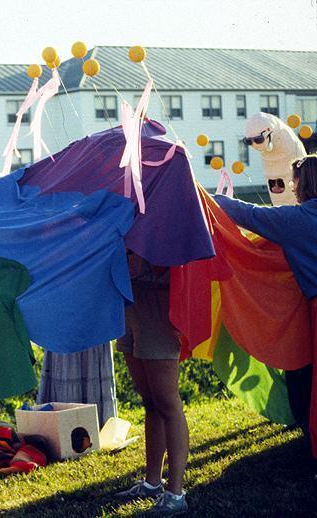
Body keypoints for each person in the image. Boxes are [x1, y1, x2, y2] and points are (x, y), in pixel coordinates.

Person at [214, 154, 317, 460]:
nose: (292, 188)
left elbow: (250, 215)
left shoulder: (298, 220)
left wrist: (210, 198)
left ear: (306, 183)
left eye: (295, 181)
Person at [114, 252, 190, 515]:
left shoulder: (172, 210)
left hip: (159, 307)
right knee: (150, 402)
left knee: (167, 403)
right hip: (130, 303)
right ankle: (152, 482)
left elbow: (175, 259)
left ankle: (176, 494)